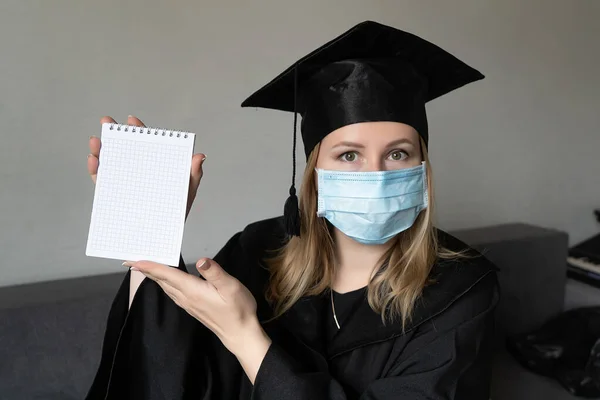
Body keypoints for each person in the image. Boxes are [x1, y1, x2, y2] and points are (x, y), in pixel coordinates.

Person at [84, 20, 499, 400]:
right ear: (314, 172)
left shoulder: (461, 288)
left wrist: (245, 335)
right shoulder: (258, 250)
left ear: (421, 168)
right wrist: (149, 223)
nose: (376, 174)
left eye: (398, 153)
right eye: (349, 156)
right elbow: (179, 377)